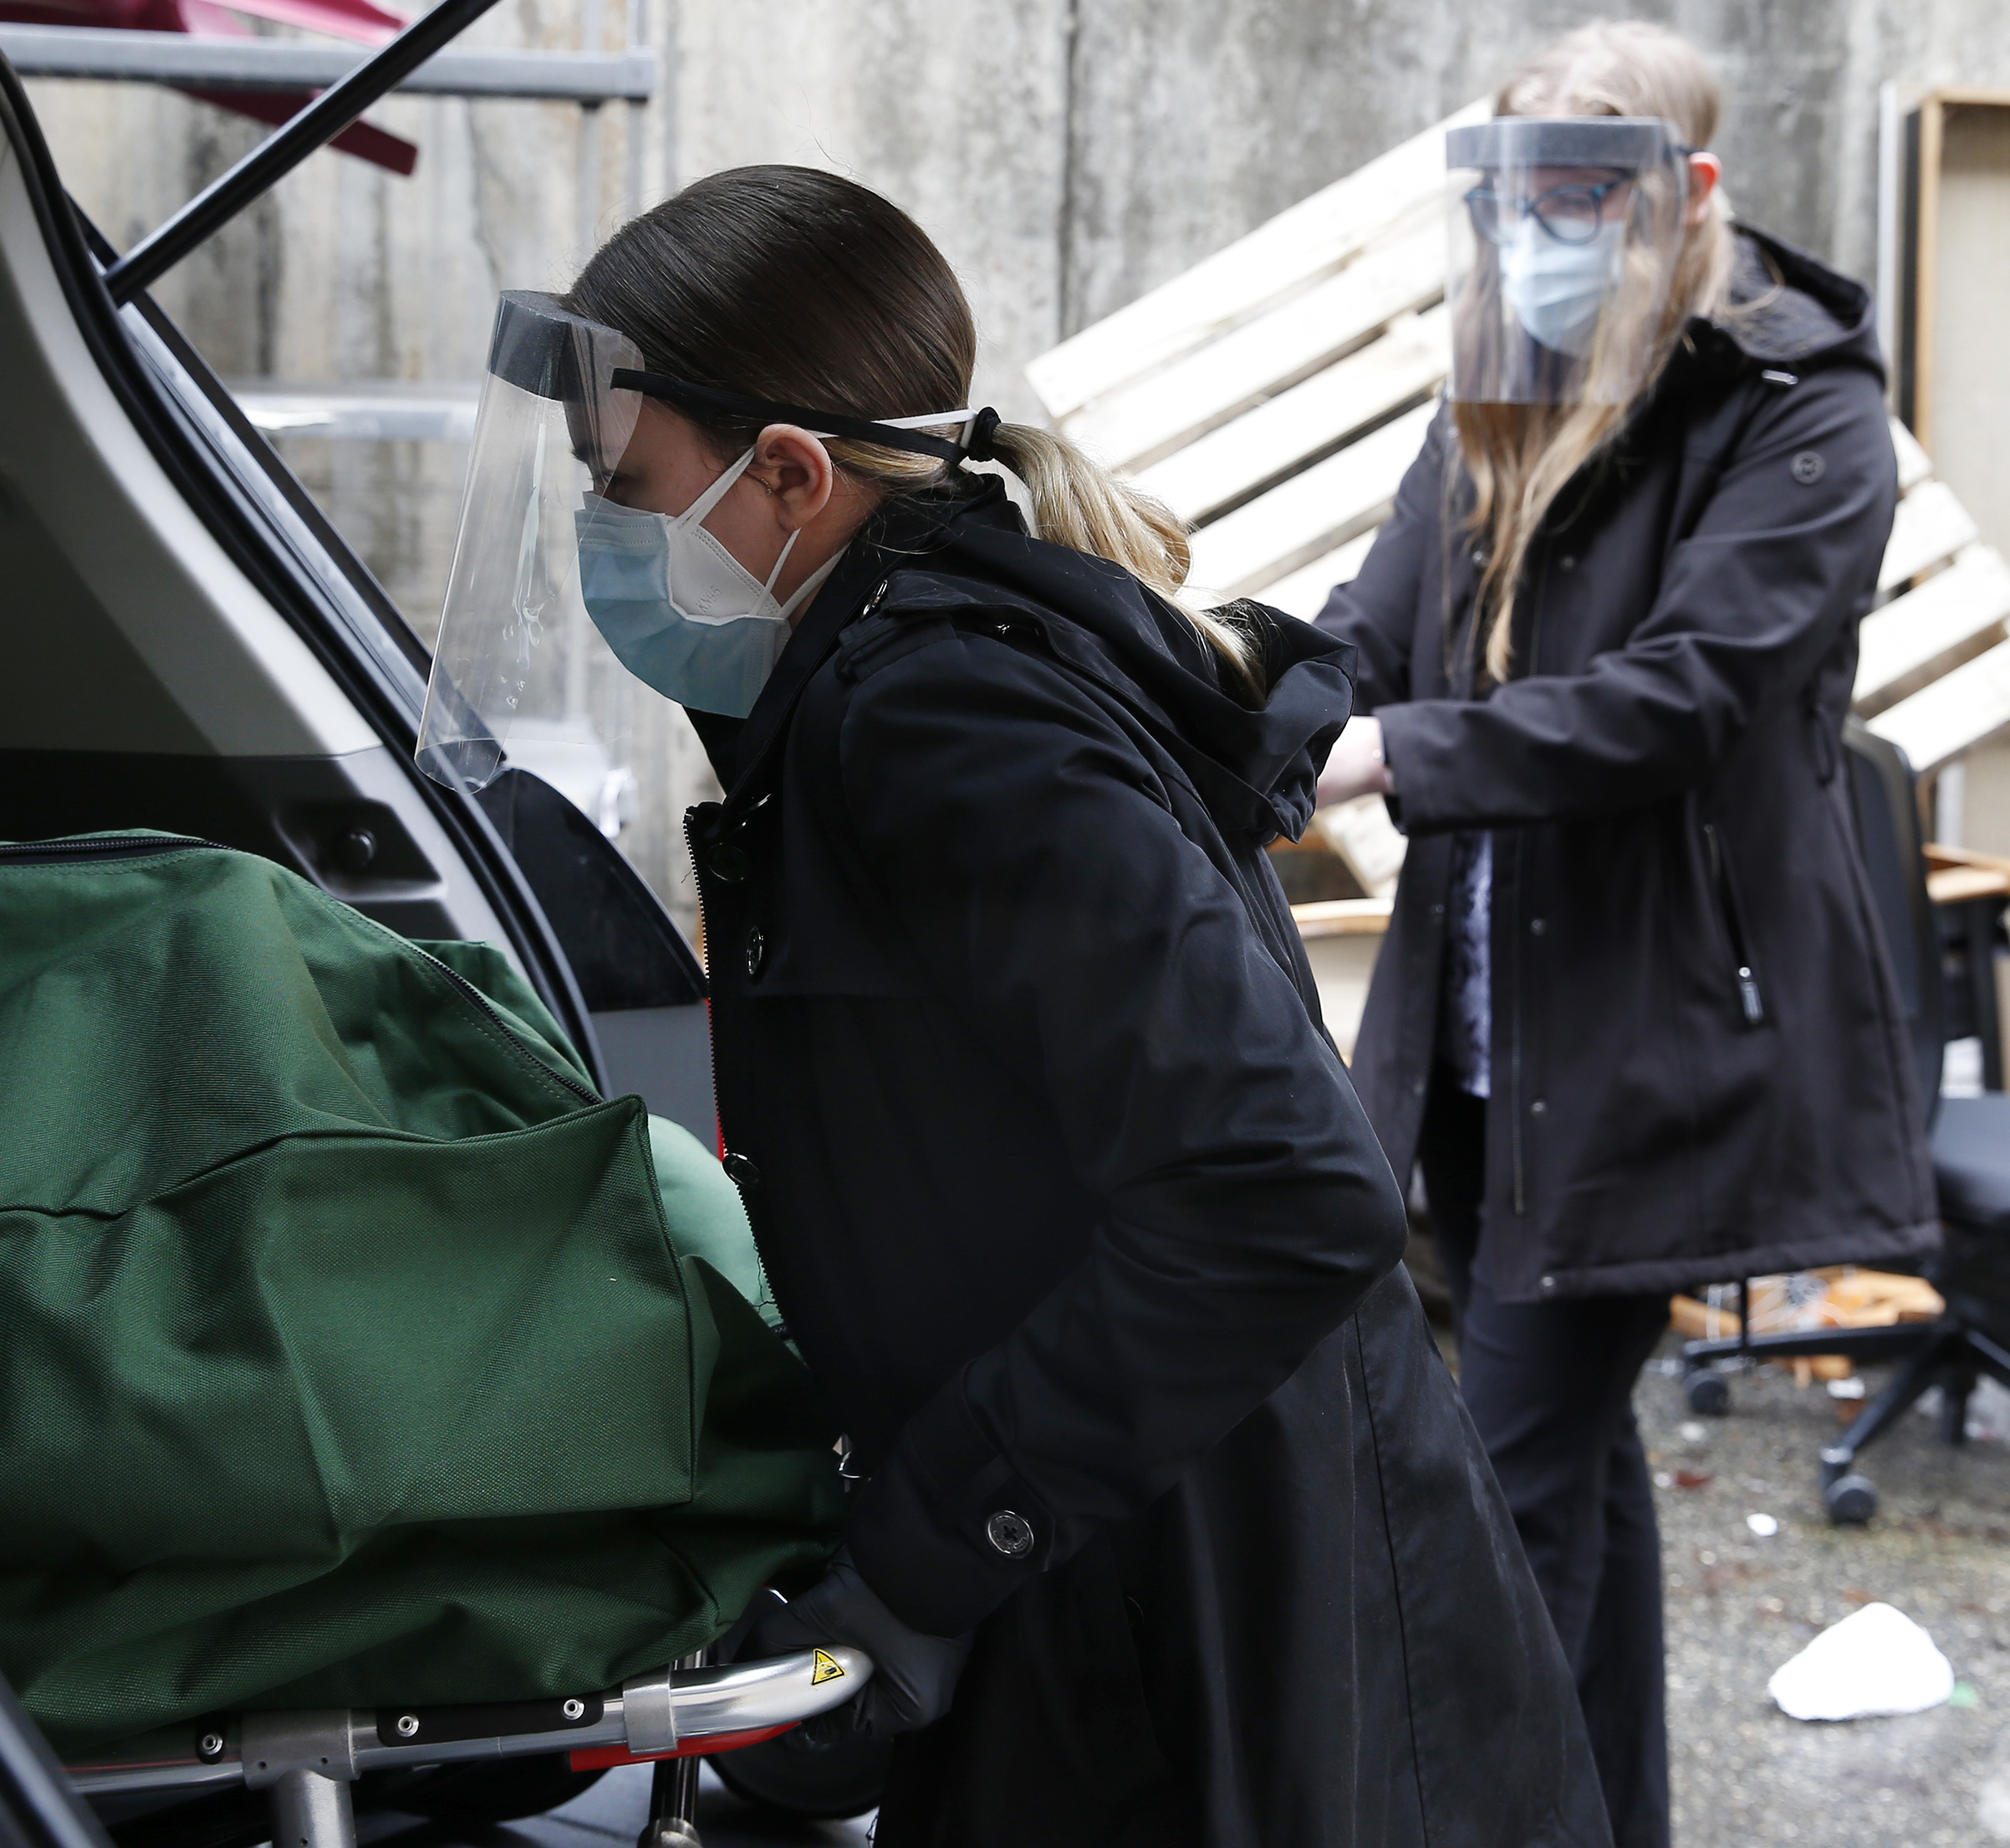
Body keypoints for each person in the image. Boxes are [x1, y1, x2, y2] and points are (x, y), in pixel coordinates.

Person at [418, 168, 1608, 1845]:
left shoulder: (938, 716)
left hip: (1205, 1625)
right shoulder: (877, 677)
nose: (601, 536)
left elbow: (1282, 1189)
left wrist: (913, 1571)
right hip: (1110, 1563)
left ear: (785, 475)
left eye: (626, 487)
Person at [1314, 23, 1936, 1848]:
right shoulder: (1499, 390)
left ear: (1692, 198)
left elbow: (1681, 699)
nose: (1542, 242)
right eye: (1517, 204)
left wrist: (1386, 754)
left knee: (1491, 1508)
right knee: (1574, 1475)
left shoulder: (1801, 407)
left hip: (1661, 1046)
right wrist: (1216, 695)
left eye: (1583, 201)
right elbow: (1371, 632)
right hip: (1486, 1039)